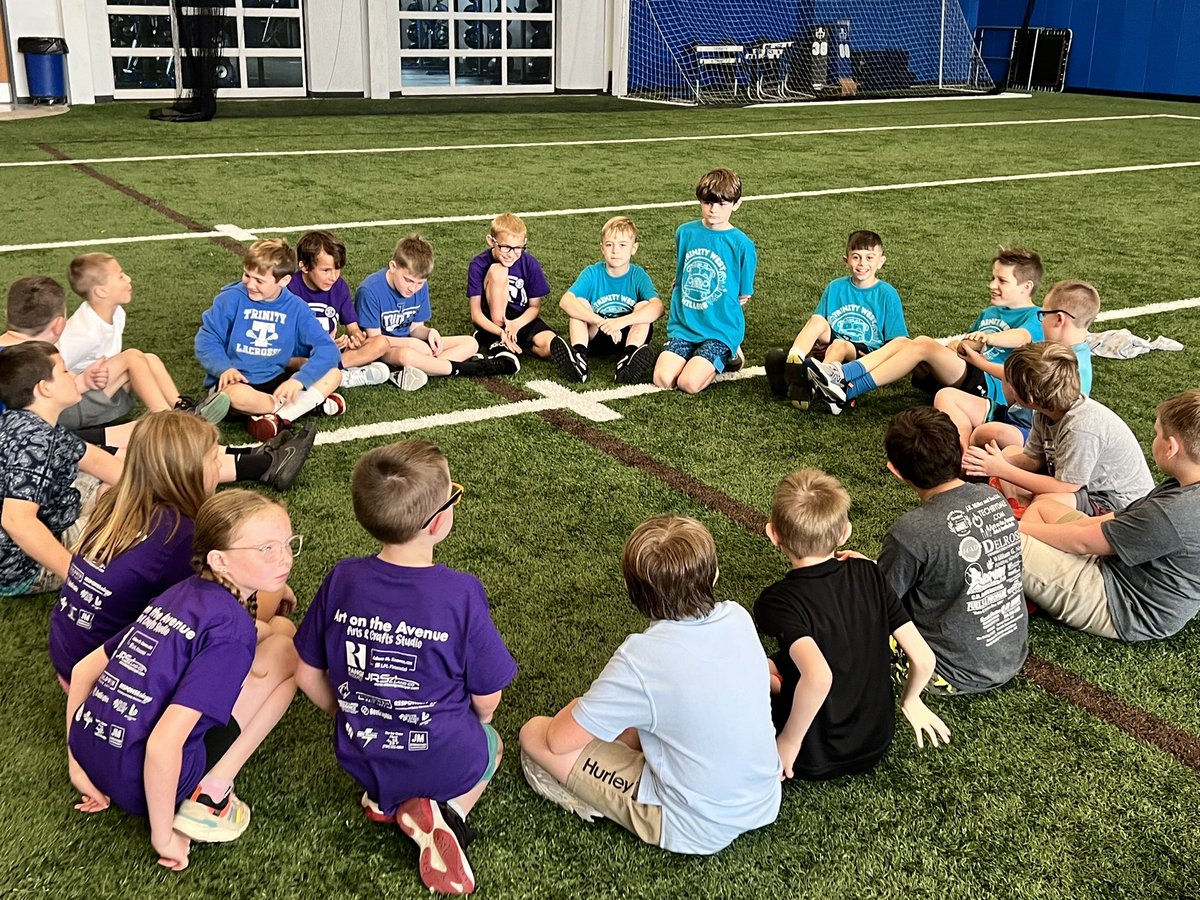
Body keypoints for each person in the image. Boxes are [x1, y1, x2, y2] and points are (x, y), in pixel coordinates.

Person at [295, 440, 516, 896]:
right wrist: (485, 721)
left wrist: (347, 715)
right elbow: (488, 695)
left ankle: (386, 798)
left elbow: (304, 672)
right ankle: (447, 812)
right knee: (492, 744)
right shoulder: (461, 593)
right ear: (438, 523)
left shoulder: (342, 577)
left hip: (360, 750)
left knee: (399, 744)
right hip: (445, 755)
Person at [65, 490, 300, 870]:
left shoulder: (180, 593)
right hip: (149, 784)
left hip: (95, 755)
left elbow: (82, 671)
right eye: (266, 548)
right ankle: (212, 791)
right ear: (220, 561)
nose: (285, 557)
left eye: (287, 543)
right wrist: (164, 838)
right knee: (289, 658)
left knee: (280, 631)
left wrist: (78, 764)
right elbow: (163, 744)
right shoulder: (232, 630)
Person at [519, 515, 780, 856]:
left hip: (694, 824)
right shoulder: (737, 616)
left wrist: (576, 705)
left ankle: (594, 798)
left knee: (533, 733)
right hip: (764, 799)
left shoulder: (640, 658)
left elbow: (557, 739)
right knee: (633, 723)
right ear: (714, 573)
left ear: (632, 592)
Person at [2, 276, 316, 490]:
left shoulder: (23, 360)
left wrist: (82, 383)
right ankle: (261, 464)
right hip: (34, 459)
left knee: (140, 431)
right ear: (59, 325)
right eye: (65, 374)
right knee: (153, 457)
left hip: (42, 445)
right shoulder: (36, 368)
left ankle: (248, 455)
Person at [753, 469, 949, 780]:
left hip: (814, 756)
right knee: (798, 656)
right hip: (876, 741)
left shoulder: (776, 602)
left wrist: (789, 742)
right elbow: (925, 659)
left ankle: (774, 682)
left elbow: (818, 678)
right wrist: (910, 700)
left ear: (772, 533)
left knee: (749, 665)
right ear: (845, 533)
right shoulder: (869, 573)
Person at [48, 411, 221, 684]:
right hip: (107, 678)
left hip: (68, 658)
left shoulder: (115, 501)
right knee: (266, 627)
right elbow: (194, 614)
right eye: (214, 458)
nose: (220, 466)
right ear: (189, 470)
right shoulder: (179, 534)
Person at [1018, 389, 1200, 641]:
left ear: (1170, 448)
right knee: (1044, 507)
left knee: (1003, 543)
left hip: (1124, 603)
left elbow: (1082, 542)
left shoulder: (1174, 513)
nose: (1154, 438)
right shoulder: (1184, 484)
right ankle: (1025, 578)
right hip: (1118, 562)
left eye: (1157, 433)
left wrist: (1015, 530)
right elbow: (1109, 521)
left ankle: (1020, 575)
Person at [878, 408, 1027, 694]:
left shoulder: (910, 532)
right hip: (1010, 655)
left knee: (847, 615)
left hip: (948, 673)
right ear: (961, 447)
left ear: (895, 471)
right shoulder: (994, 498)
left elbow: (879, 602)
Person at [806, 247, 1044, 415]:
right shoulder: (989, 313)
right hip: (964, 373)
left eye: (1002, 281)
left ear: (1026, 287)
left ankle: (846, 386)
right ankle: (842, 377)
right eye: (993, 278)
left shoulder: (1035, 315)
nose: (992, 285)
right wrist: (959, 346)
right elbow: (967, 345)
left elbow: (1022, 338)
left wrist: (989, 337)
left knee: (922, 344)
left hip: (990, 388)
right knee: (903, 342)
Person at [962, 342, 1153, 515]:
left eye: (1008, 382)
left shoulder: (1081, 427)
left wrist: (1002, 469)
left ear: (1029, 398)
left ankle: (1023, 514)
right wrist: (996, 461)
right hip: (1076, 486)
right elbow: (1032, 460)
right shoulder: (1044, 411)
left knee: (1046, 502)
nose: (1006, 385)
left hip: (1118, 504)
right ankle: (1018, 506)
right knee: (1011, 452)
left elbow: (1066, 487)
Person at [0, 342, 122, 597]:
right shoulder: (36, 441)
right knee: (138, 525)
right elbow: (16, 521)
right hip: (24, 566)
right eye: (65, 371)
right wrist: (76, 578)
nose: (74, 377)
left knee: (122, 483)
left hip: (40, 525)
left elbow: (96, 460)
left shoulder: (21, 420)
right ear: (44, 388)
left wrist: (157, 488)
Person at [195, 238, 344, 441]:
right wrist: (224, 368)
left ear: (283, 281)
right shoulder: (230, 299)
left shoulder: (296, 307)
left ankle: (278, 418)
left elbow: (327, 349)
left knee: (334, 373)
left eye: (259, 280)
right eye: (247, 275)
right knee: (234, 396)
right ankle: (300, 407)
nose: (249, 283)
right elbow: (207, 339)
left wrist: (299, 380)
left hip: (276, 380)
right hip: (238, 381)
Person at [59, 253, 230, 425]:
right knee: (132, 357)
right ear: (101, 291)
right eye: (120, 276)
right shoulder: (84, 332)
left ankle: (182, 409)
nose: (128, 278)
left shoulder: (117, 313)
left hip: (97, 395)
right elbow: (50, 370)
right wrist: (80, 379)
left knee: (149, 359)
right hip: (70, 408)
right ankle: (167, 421)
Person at [936, 278, 1099, 452]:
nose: (1041, 320)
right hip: (1012, 414)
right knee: (946, 395)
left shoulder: (1073, 368)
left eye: (1043, 315)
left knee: (991, 432)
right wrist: (979, 362)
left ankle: (968, 456)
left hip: (1035, 435)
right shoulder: (1052, 347)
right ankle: (963, 454)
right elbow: (1015, 374)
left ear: (1058, 319)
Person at [355, 234, 519, 391]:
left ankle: (422, 369)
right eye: (408, 280)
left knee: (470, 343)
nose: (413, 288)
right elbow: (374, 339)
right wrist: (412, 344)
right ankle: (470, 368)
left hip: (413, 346)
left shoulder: (420, 287)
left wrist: (429, 333)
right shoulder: (370, 290)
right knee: (408, 356)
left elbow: (415, 328)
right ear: (393, 267)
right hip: (384, 350)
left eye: (420, 283)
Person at [766, 230, 907, 410]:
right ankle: (796, 360)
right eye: (856, 257)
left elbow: (897, 341)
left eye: (869, 258)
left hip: (864, 352)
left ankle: (817, 385)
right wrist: (815, 343)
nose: (862, 263)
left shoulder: (887, 294)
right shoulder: (835, 287)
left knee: (839, 345)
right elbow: (821, 322)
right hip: (832, 342)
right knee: (817, 321)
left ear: (881, 261)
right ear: (846, 260)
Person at [653, 167, 756, 394]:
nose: (713, 210)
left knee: (688, 383)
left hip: (720, 329)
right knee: (663, 378)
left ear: (736, 204)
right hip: (684, 326)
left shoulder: (742, 244)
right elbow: (681, 273)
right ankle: (695, 353)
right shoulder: (684, 232)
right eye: (708, 202)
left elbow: (742, 296)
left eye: (721, 204)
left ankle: (730, 353)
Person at [553, 215, 663, 384]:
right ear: (602, 248)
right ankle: (579, 357)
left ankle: (628, 359)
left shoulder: (638, 275)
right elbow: (565, 301)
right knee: (579, 303)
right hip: (598, 335)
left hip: (627, 335)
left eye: (622, 245)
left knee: (644, 306)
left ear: (634, 248)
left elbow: (658, 308)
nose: (615, 251)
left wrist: (620, 323)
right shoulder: (592, 272)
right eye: (609, 245)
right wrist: (600, 322)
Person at [286, 230, 389, 389]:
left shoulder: (339, 287)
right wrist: (322, 345)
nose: (333, 277)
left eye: (337, 269)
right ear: (304, 266)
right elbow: (284, 336)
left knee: (381, 343)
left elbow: (353, 327)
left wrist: (355, 338)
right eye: (326, 270)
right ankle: (339, 374)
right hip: (301, 354)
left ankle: (332, 370)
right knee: (291, 361)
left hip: (332, 352)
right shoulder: (289, 289)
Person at [467, 212, 564, 373]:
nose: (511, 254)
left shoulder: (530, 263)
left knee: (550, 346)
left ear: (524, 243)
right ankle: (494, 336)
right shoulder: (478, 264)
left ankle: (515, 345)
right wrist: (500, 330)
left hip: (521, 319)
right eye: (505, 247)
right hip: (494, 321)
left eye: (518, 248)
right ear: (491, 241)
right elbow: (476, 314)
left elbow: (534, 307)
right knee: (499, 270)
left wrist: (516, 325)